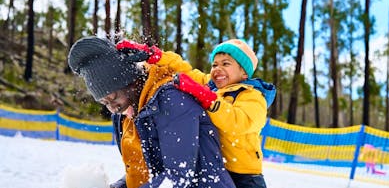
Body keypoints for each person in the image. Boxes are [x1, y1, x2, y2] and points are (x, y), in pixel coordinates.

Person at [68, 37, 236, 188]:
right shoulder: (127, 115)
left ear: (130, 82)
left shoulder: (173, 100)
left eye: (113, 97)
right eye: (104, 103)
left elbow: (178, 177)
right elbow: (141, 172)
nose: (112, 108)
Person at [117, 38, 276, 188]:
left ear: (244, 73)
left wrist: (208, 98)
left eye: (226, 64)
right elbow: (182, 68)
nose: (218, 69)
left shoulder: (252, 96)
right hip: (218, 167)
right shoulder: (211, 86)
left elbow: (239, 123)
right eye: (214, 65)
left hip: (245, 176)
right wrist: (153, 55)